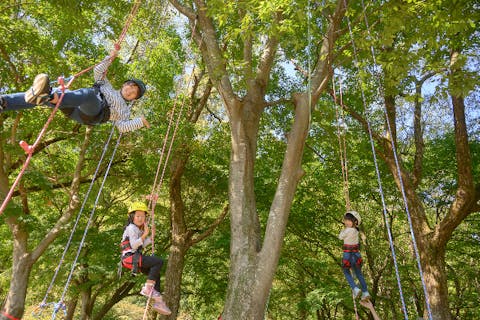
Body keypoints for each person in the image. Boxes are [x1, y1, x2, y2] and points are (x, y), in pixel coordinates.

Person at [0, 48, 150, 133]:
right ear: (124, 84)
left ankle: (52, 95)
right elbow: (98, 70)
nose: (131, 90)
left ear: (133, 99)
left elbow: (122, 127)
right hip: (73, 105)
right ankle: (5, 103)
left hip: (92, 112)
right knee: (43, 98)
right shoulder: (106, 85)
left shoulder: (124, 110)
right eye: (131, 85)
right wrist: (110, 57)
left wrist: (140, 122)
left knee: (89, 94)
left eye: (134, 93)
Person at [120, 201, 171, 315]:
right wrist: (145, 234)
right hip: (130, 257)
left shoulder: (138, 229)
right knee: (158, 262)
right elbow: (133, 245)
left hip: (134, 258)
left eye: (142, 216)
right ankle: (148, 288)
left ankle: (158, 300)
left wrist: (151, 237)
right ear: (132, 217)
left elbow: (141, 245)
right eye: (138, 216)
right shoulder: (131, 228)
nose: (140, 218)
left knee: (155, 273)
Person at [338, 210, 370, 301]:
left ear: (355, 222)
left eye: (349, 220)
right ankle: (365, 292)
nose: (346, 222)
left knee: (346, 272)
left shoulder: (347, 230)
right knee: (359, 274)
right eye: (346, 220)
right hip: (356, 255)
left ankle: (355, 288)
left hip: (348, 255)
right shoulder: (356, 231)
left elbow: (340, 237)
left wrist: (343, 230)